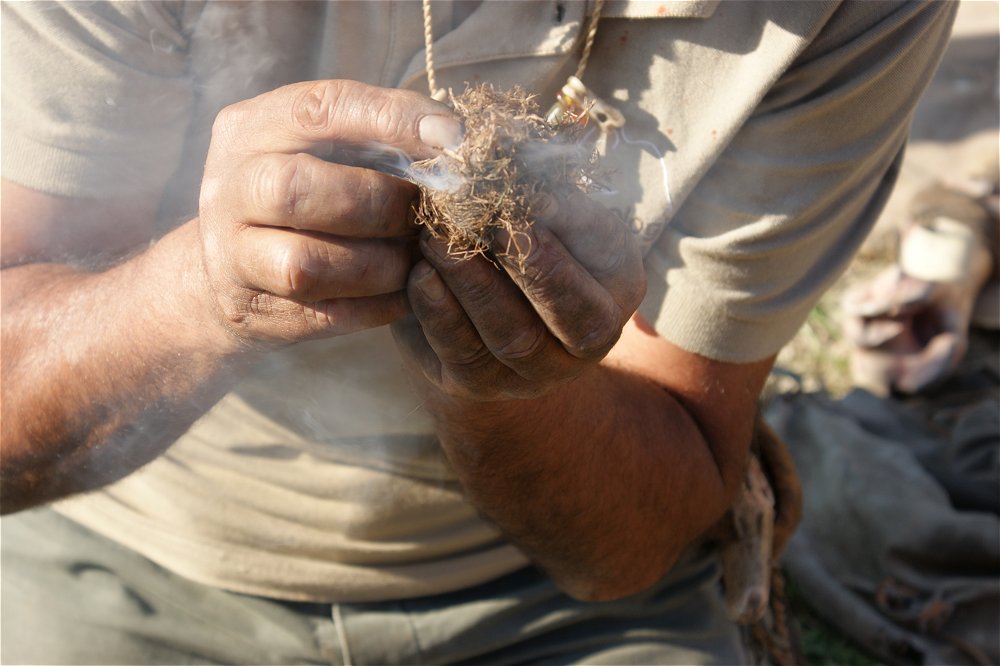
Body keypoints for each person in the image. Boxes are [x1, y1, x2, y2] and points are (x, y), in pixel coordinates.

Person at [0, 1, 956, 663]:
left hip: (538, 602)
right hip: (136, 555)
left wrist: (507, 387)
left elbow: (638, 535)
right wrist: (200, 295)